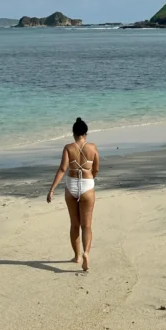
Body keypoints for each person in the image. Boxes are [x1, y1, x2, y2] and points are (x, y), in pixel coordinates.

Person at [46, 117, 99, 272]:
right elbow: (96, 169)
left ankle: (76, 256)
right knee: (87, 225)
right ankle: (86, 253)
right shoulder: (93, 147)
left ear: (74, 133)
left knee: (74, 224)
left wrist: (52, 189)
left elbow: (63, 169)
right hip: (87, 186)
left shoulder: (68, 148)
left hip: (71, 186)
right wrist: (90, 180)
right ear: (86, 133)